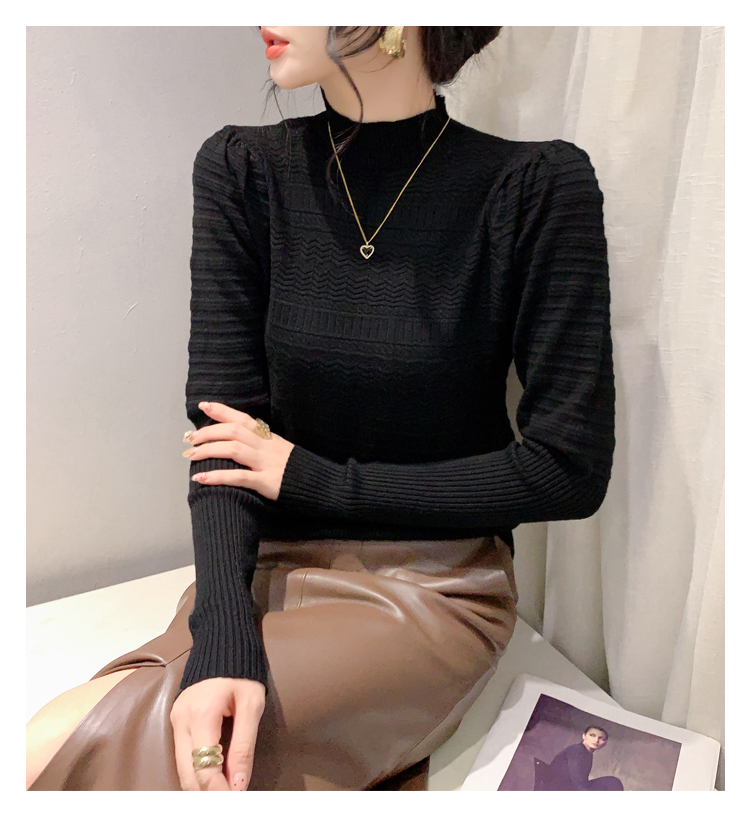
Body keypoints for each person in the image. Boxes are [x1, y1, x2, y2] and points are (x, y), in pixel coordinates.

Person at [26, 26, 615, 791]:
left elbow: (567, 468)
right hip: (260, 572)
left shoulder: (534, 187)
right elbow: (223, 438)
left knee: (83, 751)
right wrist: (223, 639)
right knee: (84, 738)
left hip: (432, 589)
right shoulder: (243, 169)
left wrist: (312, 478)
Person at [545, 726, 624, 791]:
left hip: (570, 788)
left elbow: (582, 781)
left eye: (601, 738)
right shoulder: (577, 749)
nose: (596, 740)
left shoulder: (588, 754)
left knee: (612, 782)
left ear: (604, 743)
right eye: (592, 735)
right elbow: (576, 777)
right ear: (584, 736)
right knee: (612, 782)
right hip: (557, 789)